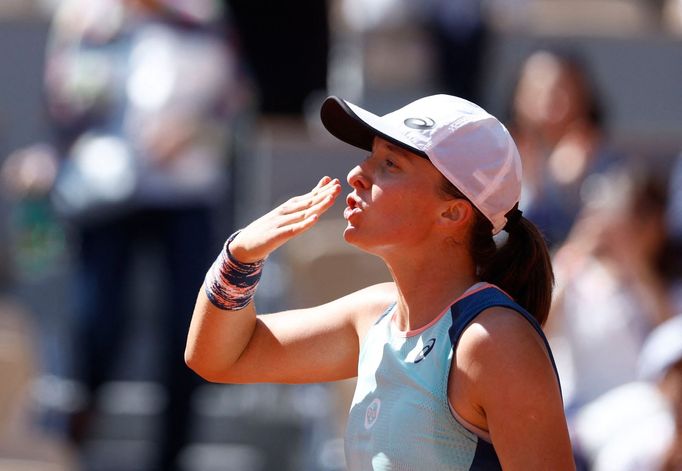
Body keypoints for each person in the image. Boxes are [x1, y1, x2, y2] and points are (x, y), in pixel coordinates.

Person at [186, 94, 575, 469]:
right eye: (371, 157)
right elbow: (217, 358)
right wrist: (239, 258)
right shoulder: (374, 315)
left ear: (453, 212)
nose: (357, 174)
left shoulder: (494, 341)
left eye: (391, 164)